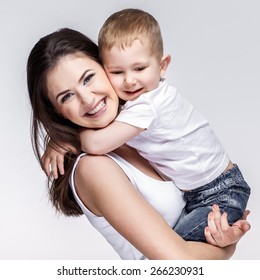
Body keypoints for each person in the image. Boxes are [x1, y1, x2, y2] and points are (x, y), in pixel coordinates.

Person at [27, 27, 250, 260]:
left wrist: (223, 238)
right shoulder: (93, 167)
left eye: (88, 78)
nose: (88, 99)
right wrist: (226, 248)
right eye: (67, 96)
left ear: (106, 67)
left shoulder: (140, 132)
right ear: (57, 112)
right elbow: (178, 263)